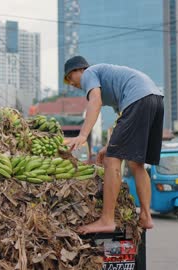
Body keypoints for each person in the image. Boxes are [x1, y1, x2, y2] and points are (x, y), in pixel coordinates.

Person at [63, 56, 164, 234]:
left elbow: (95, 101)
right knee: (136, 163)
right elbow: (123, 121)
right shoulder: (113, 83)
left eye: (71, 80)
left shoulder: (89, 73)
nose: (74, 85)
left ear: (78, 70)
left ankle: (106, 220)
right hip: (155, 99)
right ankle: (146, 216)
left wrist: (83, 135)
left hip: (138, 99)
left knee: (111, 161)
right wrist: (108, 145)